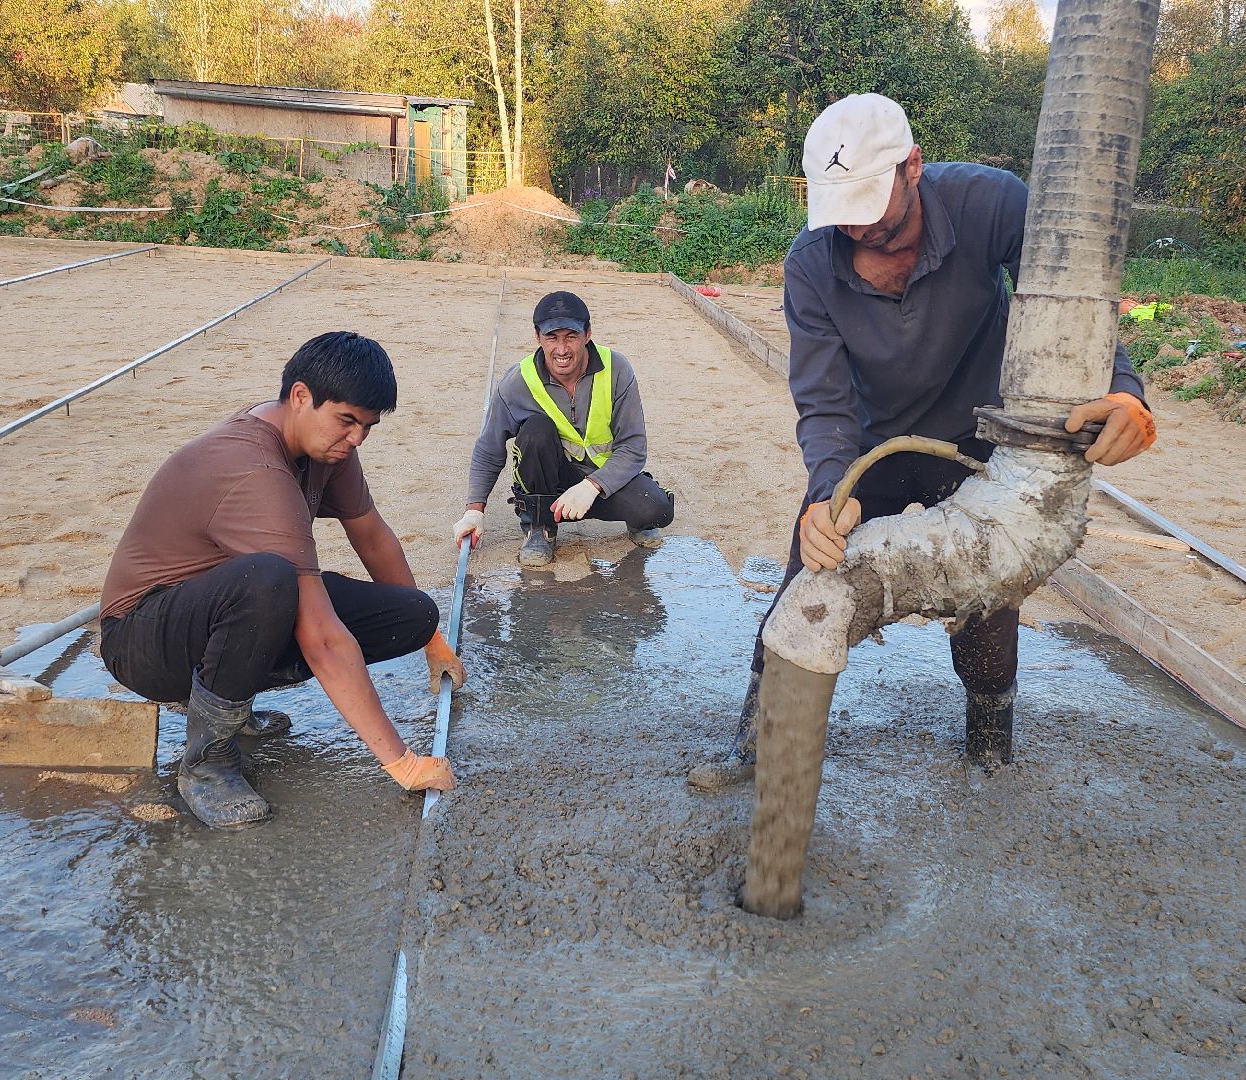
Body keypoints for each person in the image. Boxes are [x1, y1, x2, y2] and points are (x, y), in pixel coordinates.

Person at [688, 93, 1158, 791]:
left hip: (976, 441)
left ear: (914, 167)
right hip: (872, 446)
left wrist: (1125, 389)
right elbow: (823, 402)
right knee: (805, 586)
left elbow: (1071, 299)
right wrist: (827, 495)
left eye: (870, 207)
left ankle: (989, 735)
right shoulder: (812, 265)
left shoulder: (989, 205)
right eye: (840, 213)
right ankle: (756, 743)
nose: (856, 229)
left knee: (988, 603)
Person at [99, 331, 465, 829]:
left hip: (217, 609)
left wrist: (434, 641)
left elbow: (372, 535)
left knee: (411, 612)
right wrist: (400, 761)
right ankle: (206, 762)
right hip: (143, 639)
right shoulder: (254, 471)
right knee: (271, 580)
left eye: (367, 426)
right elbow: (322, 641)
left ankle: (230, 700)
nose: (356, 438)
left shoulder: (324, 447)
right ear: (299, 396)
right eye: (347, 421)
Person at [453, 290, 675, 567]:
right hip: (552, 488)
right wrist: (474, 511)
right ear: (537, 337)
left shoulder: (616, 369)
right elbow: (489, 449)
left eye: (571, 336)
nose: (561, 349)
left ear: (588, 334)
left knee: (656, 510)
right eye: (552, 337)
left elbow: (633, 445)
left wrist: (592, 485)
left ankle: (631, 517)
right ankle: (539, 526)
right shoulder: (517, 382)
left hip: (602, 481)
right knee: (535, 430)